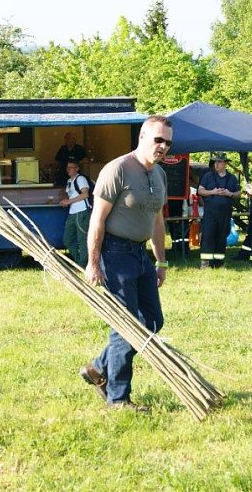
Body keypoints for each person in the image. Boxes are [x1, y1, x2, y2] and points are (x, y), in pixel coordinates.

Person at [80, 115, 172, 411]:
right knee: (126, 325)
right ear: (143, 137)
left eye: (168, 143)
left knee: (153, 321)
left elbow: (157, 220)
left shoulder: (159, 175)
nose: (163, 147)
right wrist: (93, 262)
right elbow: (97, 219)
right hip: (115, 254)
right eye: (158, 140)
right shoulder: (117, 169)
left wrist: (161, 260)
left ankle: (98, 367)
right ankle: (118, 398)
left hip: (141, 254)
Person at [197, 152, 240, 268]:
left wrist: (229, 193)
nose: (216, 164)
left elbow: (238, 193)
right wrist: (212, 192)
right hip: (210, 212)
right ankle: (205, 264)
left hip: (225, 212)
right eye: (215, 162)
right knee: (208, 236)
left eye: (219, 162)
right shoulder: (208, 176)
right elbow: (200, 191)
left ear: (225, 163)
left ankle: (218, 263)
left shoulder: (232, 178)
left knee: (222, 236)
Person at [60, 160, 91, 267]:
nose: (68, 169)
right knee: (67, 240)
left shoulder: (80, 179)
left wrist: (68, 201)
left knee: (82, 240)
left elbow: (85, 194)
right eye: (67, 167)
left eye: (71, 167)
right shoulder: (69, 181)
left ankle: (83, 264)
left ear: (77, 169)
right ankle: (80, 262)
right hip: (73, 212)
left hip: (81, 212)